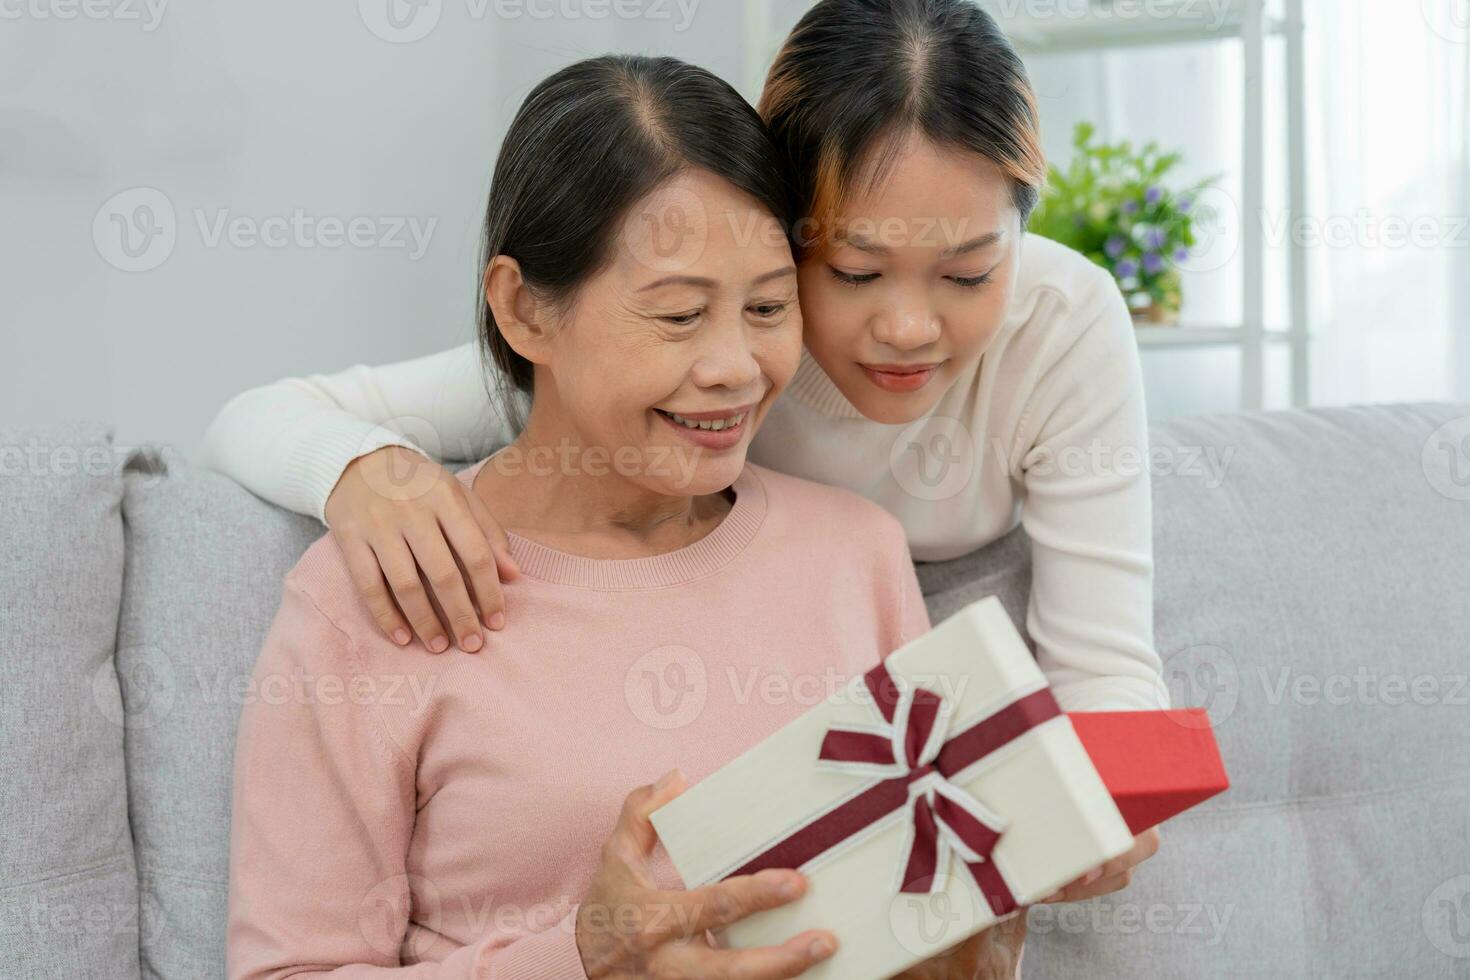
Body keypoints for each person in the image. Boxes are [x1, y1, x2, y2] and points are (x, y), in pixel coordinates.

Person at [211, 0, 1162, 918]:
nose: (907, 329)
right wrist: (363, 469)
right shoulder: (667, 354)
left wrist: (1096, 801)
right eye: (853, 273)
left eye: (967, 273)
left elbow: (1105, 664)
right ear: (789, 226)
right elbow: (277, 413)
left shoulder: (1030, 360)